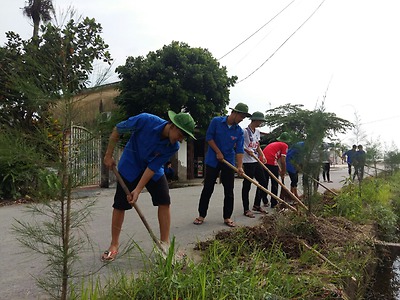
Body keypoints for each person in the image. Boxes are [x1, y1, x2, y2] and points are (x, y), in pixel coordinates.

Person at [101, 110, 196, 261]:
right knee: (120, 204)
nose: (181, 139)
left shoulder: (173, 146)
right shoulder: (145, 120)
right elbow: (117, 129)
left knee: (164, 200)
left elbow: (152, 168)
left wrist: (138, 190)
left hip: (152, 170)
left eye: (184, 137)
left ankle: (164, 244)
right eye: (181, 134)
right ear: (172, 126)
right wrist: (108, 155)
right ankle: (114, 244)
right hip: (130, 165)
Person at [193, 103, 250, 227]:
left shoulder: (239, 131)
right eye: (241, 116)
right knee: (208, 188)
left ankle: (227, 217)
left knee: (229, 190)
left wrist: (239, 166)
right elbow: (209, 137)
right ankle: (201, 215)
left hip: (228, 162)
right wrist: (218, 152)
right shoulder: (216, 122)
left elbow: (239, 149)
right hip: (213, 160)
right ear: (234, 113)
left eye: (243, 118)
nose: (241, 120)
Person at [241, 112, 268, 218]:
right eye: (260, 121)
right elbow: (240, 145)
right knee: (247, 185)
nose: (261, 123)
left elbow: (257, 146)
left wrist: (263, 155)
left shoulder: (257, 132)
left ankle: (256, 205)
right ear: (255, 120)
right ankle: (246, 209)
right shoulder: (244, 131)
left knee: (263, 182)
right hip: (248, 161)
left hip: (256, 160)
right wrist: (247, 150)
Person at [255, 132, 291, 209]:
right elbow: (283, 161)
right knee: (275, 183)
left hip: (262, 161)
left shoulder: (274, 144)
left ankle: (261, 202)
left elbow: (274, 156)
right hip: (270, 162)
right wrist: (283, 171)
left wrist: (280, 169)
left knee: (263, 182)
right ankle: (274, 203)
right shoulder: (284, 145)